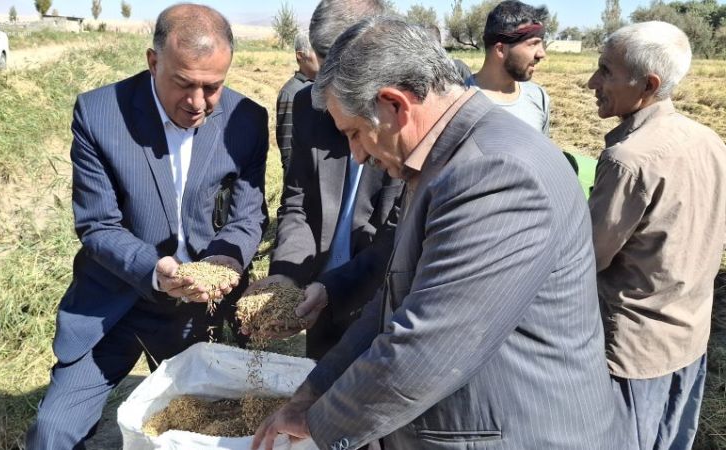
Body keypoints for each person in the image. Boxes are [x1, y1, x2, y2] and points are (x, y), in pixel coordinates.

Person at [253, 17, 625, 450]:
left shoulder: (493, 172)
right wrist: (314, 390)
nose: (356, 155)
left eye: (355, 134)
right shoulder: (444, 160)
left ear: (395, 105)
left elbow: (426, 348)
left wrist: (320, 423)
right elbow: (395, 302)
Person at [27, 4, 269, 447]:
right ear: (153, 61)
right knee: (53, 431)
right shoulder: (99, 114)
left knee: (196, 431)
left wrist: (223, 262)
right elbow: (98, 225)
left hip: (198, 310)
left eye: (212, 87)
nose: (198, 103)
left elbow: (248, 215)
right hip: (115, 300)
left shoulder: (247, 120)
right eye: (184, 83)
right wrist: (154, 271)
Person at [587, 21, 726, 450]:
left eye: (605, 71)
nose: (592, 82)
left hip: (635, 352)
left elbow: (588, 258)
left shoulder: (628, 161)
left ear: (648, 85)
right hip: (690, 338)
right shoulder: (709, 140)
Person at [250, 0, 403, 360]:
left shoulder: (407, 118)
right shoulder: (310, 105)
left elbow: (399, 234)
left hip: (382, 303)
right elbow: (299, 202)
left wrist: (334, 288)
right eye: (322, 69)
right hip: (318, 299)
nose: (327, 89)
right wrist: (287, 276)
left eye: (340, 73)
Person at [466, 0, 550, 136]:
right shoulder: (459, 101)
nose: (542, 54)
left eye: (541, 44)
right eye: (533, 44)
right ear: (500, 49)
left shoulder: (538, 97)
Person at [275, 33, 319, 175]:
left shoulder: (326, 87)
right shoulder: (290, 93)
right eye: (317, 51)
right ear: (300, 56)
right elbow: (287, 148)